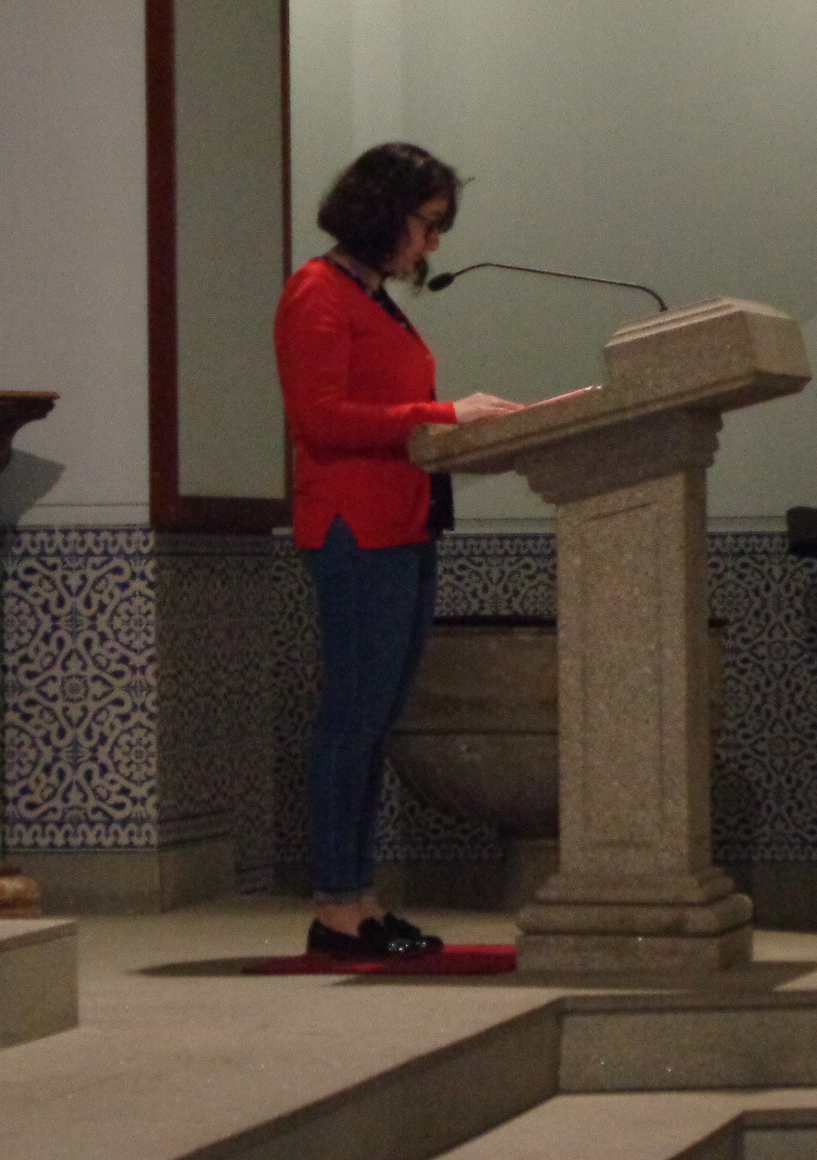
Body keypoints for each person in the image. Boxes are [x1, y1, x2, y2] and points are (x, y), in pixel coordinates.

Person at [275, 142, 521, 959]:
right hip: (355, 526)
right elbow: (320, 419)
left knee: (375, 720)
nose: (434, 243)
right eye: (429, 223)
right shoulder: (316, 290)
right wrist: (447, 415)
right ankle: (336, 907)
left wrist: (455, 428)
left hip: (404, 520)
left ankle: (362, 899)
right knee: (353, 719)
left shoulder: (371, 297)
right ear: (383, 212)